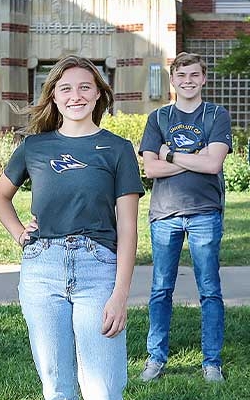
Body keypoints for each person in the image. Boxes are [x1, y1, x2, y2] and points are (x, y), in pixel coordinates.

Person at [0, 55, 144, 400]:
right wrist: (19, 233)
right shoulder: (35, 146)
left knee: (103, 389)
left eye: (85, 87)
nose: (76, 95)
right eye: (66, 88)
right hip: (42, 270)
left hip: (98, 270)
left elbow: (129, 228)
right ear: (54, 97)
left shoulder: (117, 150)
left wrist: (120, 296)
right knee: (57, 388)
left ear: (98, 94)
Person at [138, 52, 232, 383]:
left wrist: (171, 154)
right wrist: (195, 156)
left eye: (194, 75)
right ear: (173, 80)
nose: (188, 80)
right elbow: (150, 168)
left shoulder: (215, 115)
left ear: (203, 78)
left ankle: (211, 363)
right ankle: (155, 359)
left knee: (209, 288)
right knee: (161, 288)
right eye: (181, 75)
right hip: (165, 215)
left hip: (205, 212)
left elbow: (213, 165)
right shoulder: (159, 118)